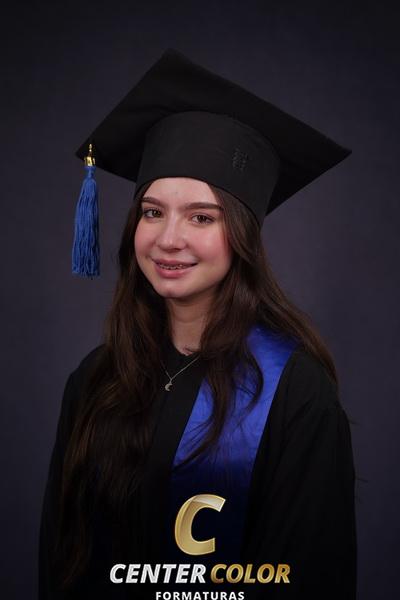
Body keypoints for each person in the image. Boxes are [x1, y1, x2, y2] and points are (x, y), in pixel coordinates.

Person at [39, 49, 357, 599]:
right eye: (153, 212)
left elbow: (309, 580)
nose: (168, 239)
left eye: (201, 217)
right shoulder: (94, 380)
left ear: (242, 237)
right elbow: (60, 560)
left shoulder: (295, 394)